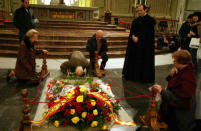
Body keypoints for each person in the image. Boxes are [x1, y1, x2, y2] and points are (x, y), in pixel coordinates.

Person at [152, 50, 196, 131]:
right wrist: (171, 74)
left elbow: (180, 97)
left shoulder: (189, 77)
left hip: (179, 115)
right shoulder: (183, 70)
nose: (173, 62)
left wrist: (161, 91)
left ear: (181, 62)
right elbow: (173, 82)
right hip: (173, 110)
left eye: (175, 60)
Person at [122, 4, 156, 84]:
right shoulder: (136, 20)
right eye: (138, 11)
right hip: (135, 45)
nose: (139, 12)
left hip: (145, 47)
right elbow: (132, 31)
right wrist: (133, 36)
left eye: (140, 10)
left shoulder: (150, 20)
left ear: (145, 10)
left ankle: (142, 77)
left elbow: (148, 34)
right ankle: (132, 75)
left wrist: (139, 37)